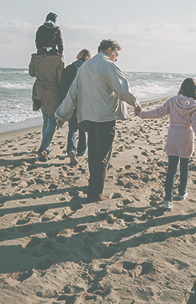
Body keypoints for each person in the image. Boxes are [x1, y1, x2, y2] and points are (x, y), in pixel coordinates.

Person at [55, 39, 141, 202]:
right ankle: (95, 193)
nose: (116, 58)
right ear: (109, 50)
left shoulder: (84, 67)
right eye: (116, 54)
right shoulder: (108, 65)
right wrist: (136, 104)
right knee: (103, 155)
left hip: (87, 117)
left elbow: (72, 94)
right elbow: (123, 89)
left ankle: (92, 184)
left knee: (93, 152)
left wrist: (62, 116)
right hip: (104, 116)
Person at [135, 78, 196, 209]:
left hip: (172, 137)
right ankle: (182, 193)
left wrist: (141, 114)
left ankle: (167, 200)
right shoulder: (195, 105)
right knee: (184, 167)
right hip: (186, 138)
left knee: (171, 169)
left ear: (182, 88)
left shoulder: (172, 101)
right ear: (195, 91)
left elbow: (158, 112)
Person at [29, 52, 64, 161]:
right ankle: (44, 147)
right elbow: (60, 79)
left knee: (45, 120)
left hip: (39, 92)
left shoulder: (35, 57)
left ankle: (47, 146)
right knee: (52, 120)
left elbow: (31, 73)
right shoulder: (58, 59)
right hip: (53, 92)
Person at [59, 49, 92, 165]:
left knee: (72, 128)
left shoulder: (69, 69)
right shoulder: (90, 69)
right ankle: (82, 150)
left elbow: (63, 86)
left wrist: (65, 100)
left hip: (73, 101)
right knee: (83, 126)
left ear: (81, 55)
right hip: (86, 102)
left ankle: (72, 149)